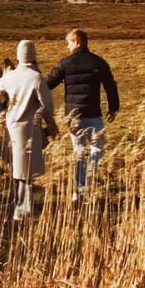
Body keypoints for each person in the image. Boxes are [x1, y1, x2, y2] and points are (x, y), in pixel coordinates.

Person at [45, 29, 120, 198]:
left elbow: (48, 83)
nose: (68, 47)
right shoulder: (98, 62)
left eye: (69, 43)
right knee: (97, 148)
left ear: (77, 41)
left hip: (73, 114)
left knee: (78, 150)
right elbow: (110, 85)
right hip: (93, 112)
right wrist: (113, 107)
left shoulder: (65, 63)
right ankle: (89, 182)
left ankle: (78, 190)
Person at [0, 40, 53, 220]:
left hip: (11, 123)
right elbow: (47, 105)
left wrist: (4, 80)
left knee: (18, 166)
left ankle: (20, 205)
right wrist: (50, 123)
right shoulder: (36, 77)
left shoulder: (10, 76)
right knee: (27, 169)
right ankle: (23, 208)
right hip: (30, 125)